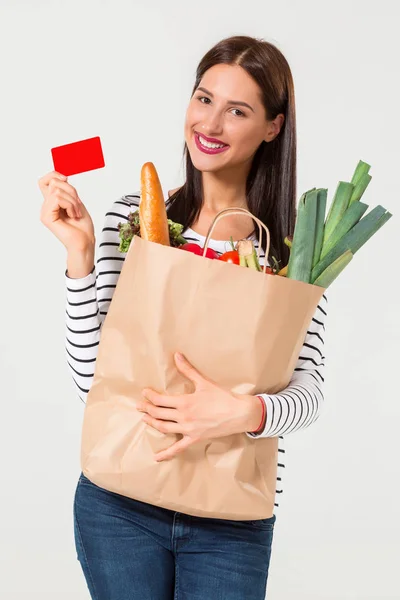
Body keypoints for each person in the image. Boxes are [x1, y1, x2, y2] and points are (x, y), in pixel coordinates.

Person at [39, 34, 327, 600]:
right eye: (203, 99)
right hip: (118, 503)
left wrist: (242, 411)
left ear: (273, 126)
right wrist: (80, 256)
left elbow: (310, 393)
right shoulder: (135, 220)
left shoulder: (292, 253)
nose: (210, 124)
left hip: (230, 519)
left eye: (237, 110)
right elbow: (91, 382)